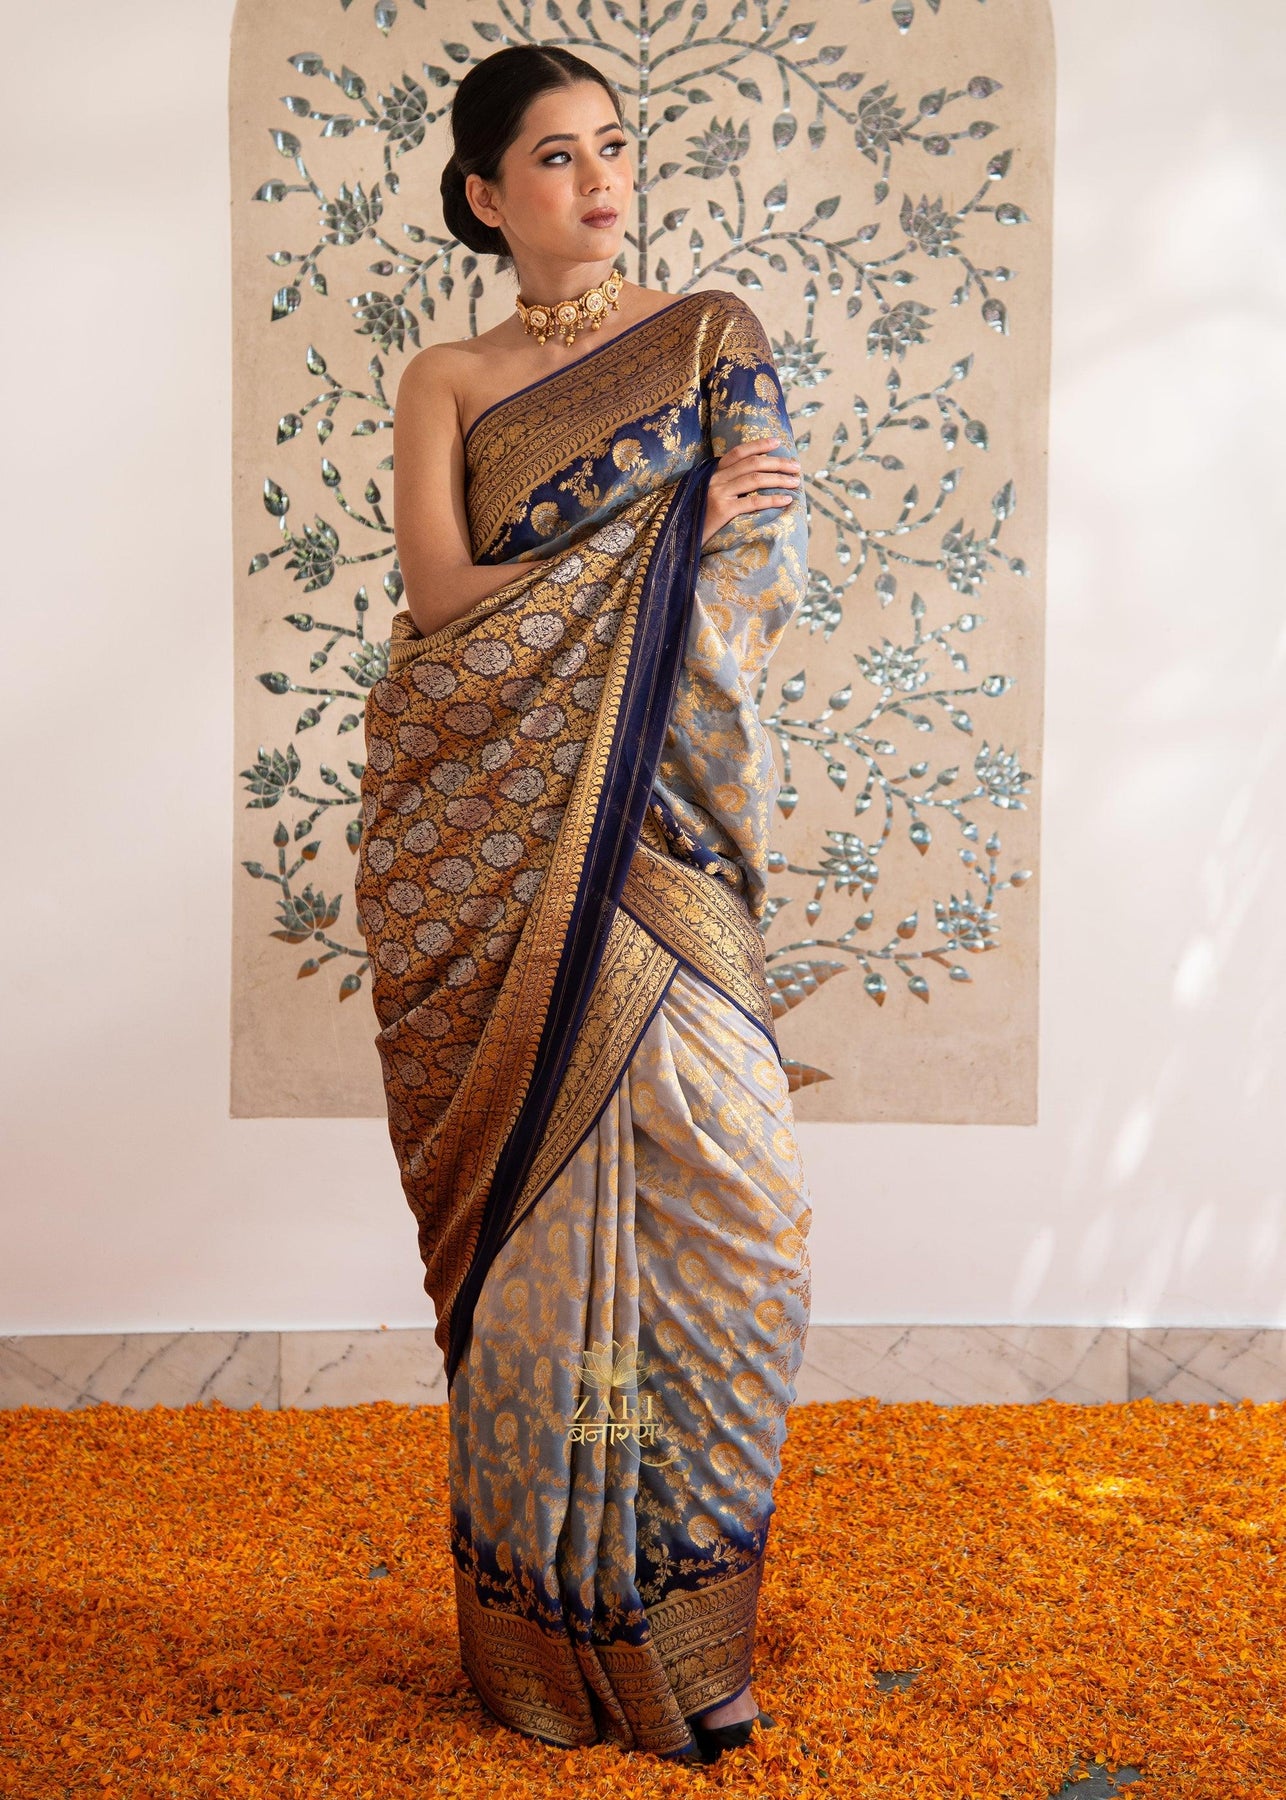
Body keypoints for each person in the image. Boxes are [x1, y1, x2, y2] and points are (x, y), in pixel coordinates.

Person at [354, 41, 813, 1767]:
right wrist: (651, 535)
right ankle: (547, 1640)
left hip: (658, 832)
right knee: (545, 1253)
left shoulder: (707, 337)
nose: (600, 178)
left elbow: (753, 567)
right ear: (486, 196)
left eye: (613, 145)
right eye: (555, 155)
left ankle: (691, 1624)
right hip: (487, 840)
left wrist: (689, 544)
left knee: (743, 1221)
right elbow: (440, 598)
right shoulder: (448, 378)